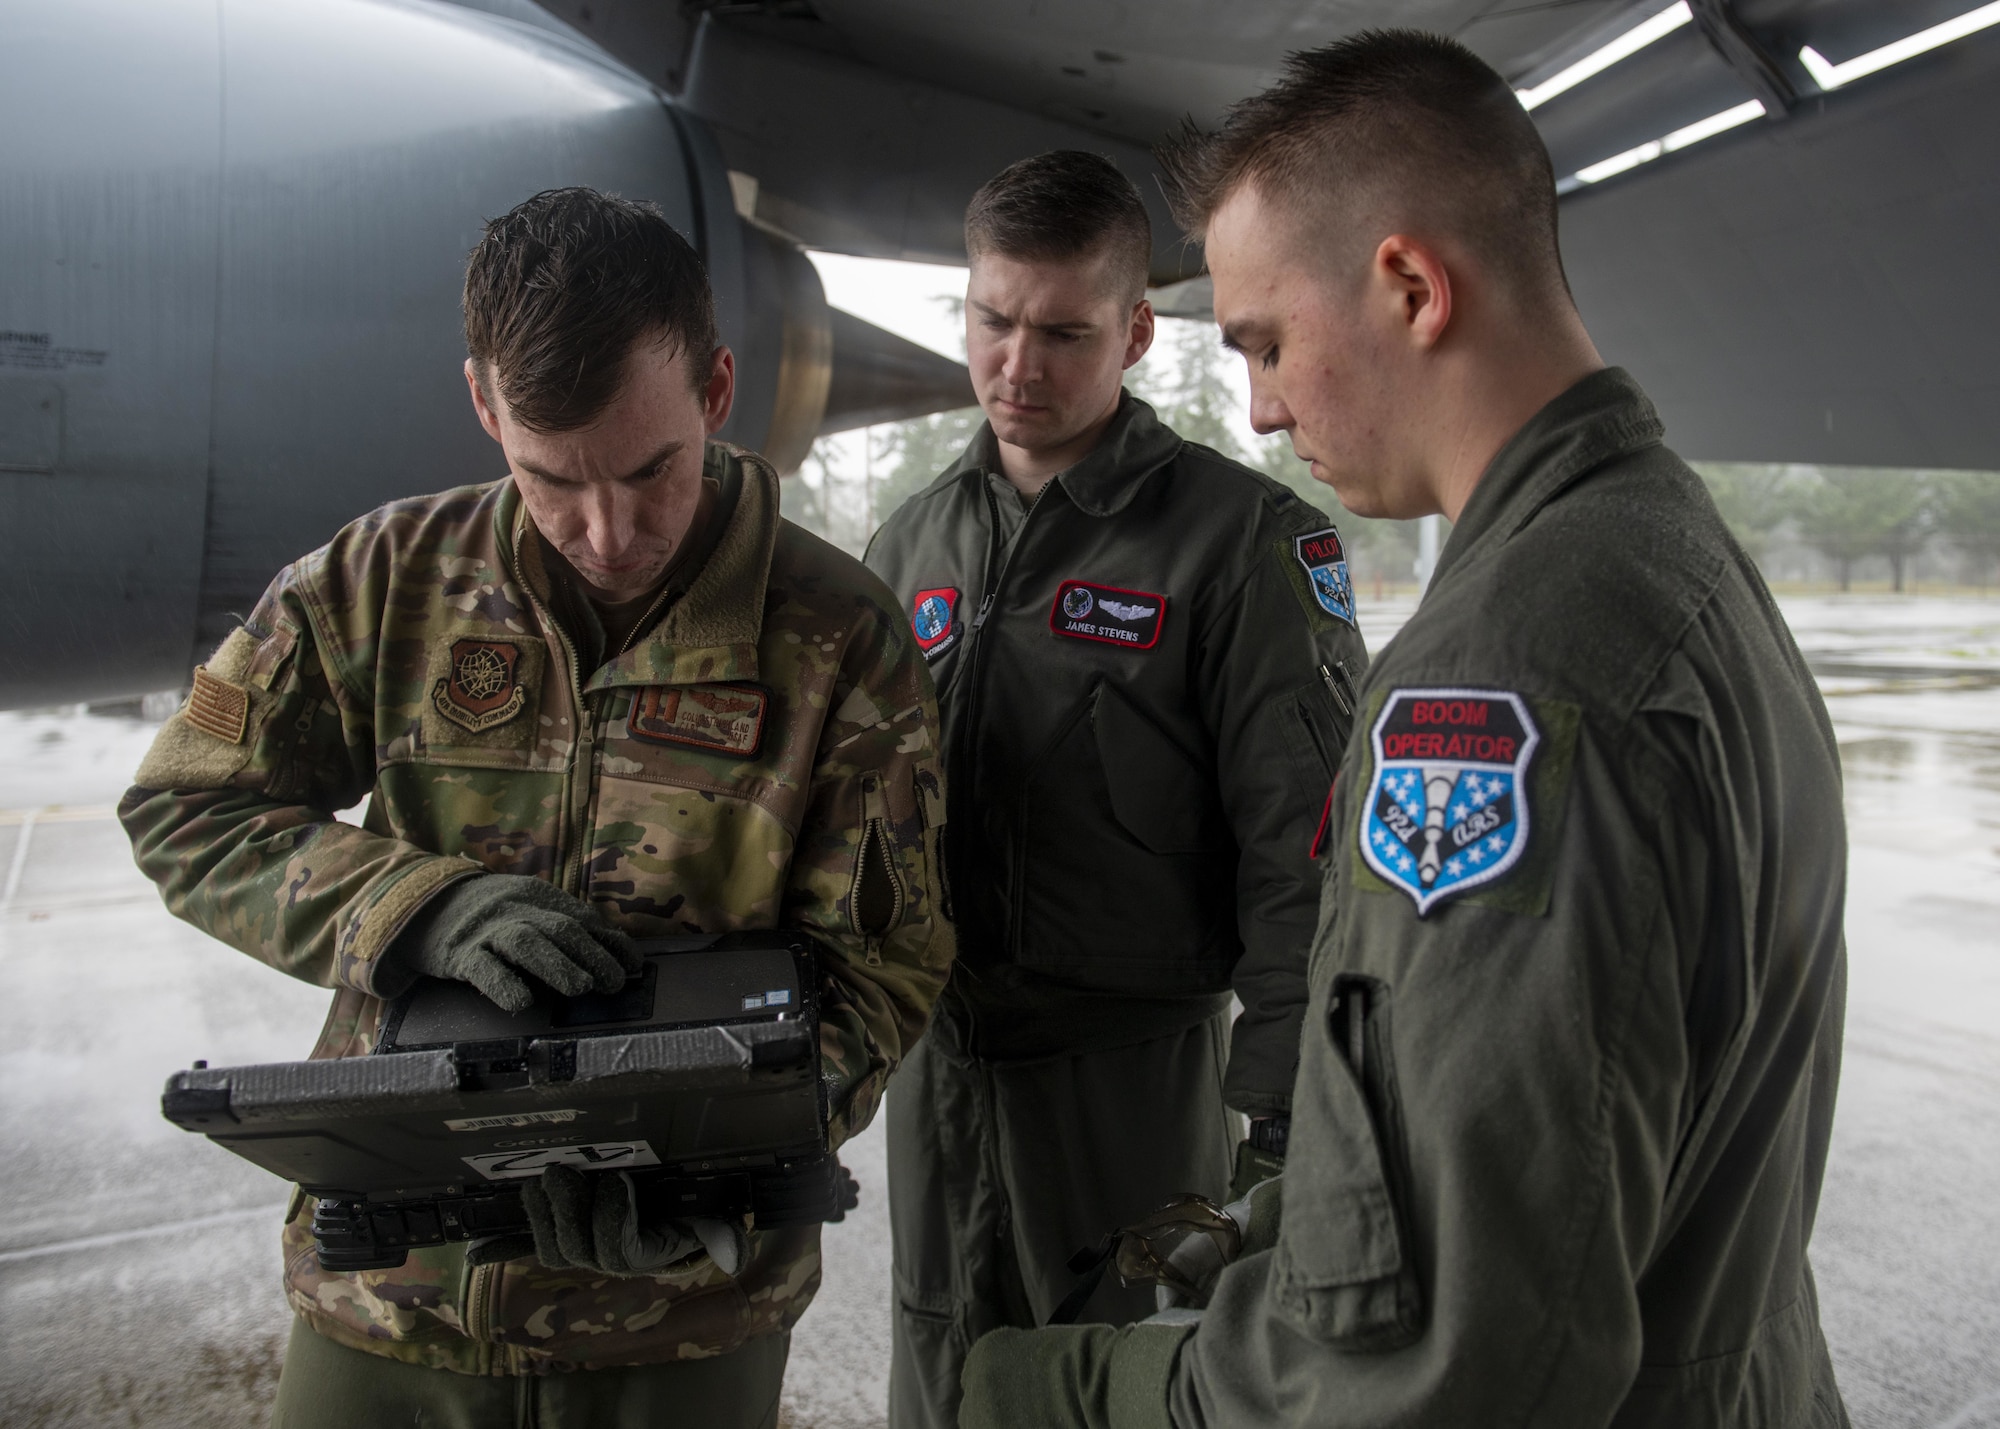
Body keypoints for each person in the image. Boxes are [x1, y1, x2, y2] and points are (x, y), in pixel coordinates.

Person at [959, 32, 1852, 1429]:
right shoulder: (1670, 562)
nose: (1257, 405)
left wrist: (1080, 1388)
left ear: (1413, 286)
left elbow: (1437, 1359)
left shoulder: (1510, 679)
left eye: (1265, 341)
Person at [119, 187, 953, 1427]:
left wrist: (705, 1163)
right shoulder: (379, 582)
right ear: (482, 406)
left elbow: (884, 964)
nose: (607, 532)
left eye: (649, 469)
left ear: (717, 390)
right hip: (394, 1293)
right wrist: (416, 901)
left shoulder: (834, 634)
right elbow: (187, 809)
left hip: (682, 1315)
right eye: (551, 478)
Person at [863, 150, 1371, 1429]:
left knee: (1121, 1385)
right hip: (940, 1077)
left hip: (1129, 1084)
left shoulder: (1240, 544)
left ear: (1137, 329)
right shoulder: (907, 542)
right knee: (942, 1384)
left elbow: (1302, 861)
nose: (1015, 367)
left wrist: (1285, 1119)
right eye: (991, 322)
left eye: (1061, 332)